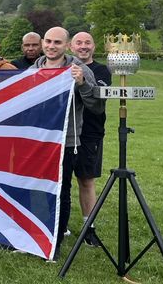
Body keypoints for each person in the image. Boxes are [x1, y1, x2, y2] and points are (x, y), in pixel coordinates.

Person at [33, 26, 104, 262]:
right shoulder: (33, 70)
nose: (51, 46)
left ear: (67, 45)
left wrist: (82, 83)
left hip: (66, 141)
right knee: (37, 188)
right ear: (43, 43)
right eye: (48, 41)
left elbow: (97, 106)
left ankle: (56, 240)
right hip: (37, 140)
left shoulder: (79, 69)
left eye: (57, 42)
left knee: (61, 190)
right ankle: (38, 231)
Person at [70, 31, 111, 247]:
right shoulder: (62, 67)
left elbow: (99, 96)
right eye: (79, 43)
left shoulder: (101, 70)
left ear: (94, 47)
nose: (83, 46)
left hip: (89, 132)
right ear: (71, 47)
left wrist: (83, 82)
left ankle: (89, 228)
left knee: (86, 180)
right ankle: (61, 225)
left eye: (87, 43)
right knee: (61, 180)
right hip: (65, 133)